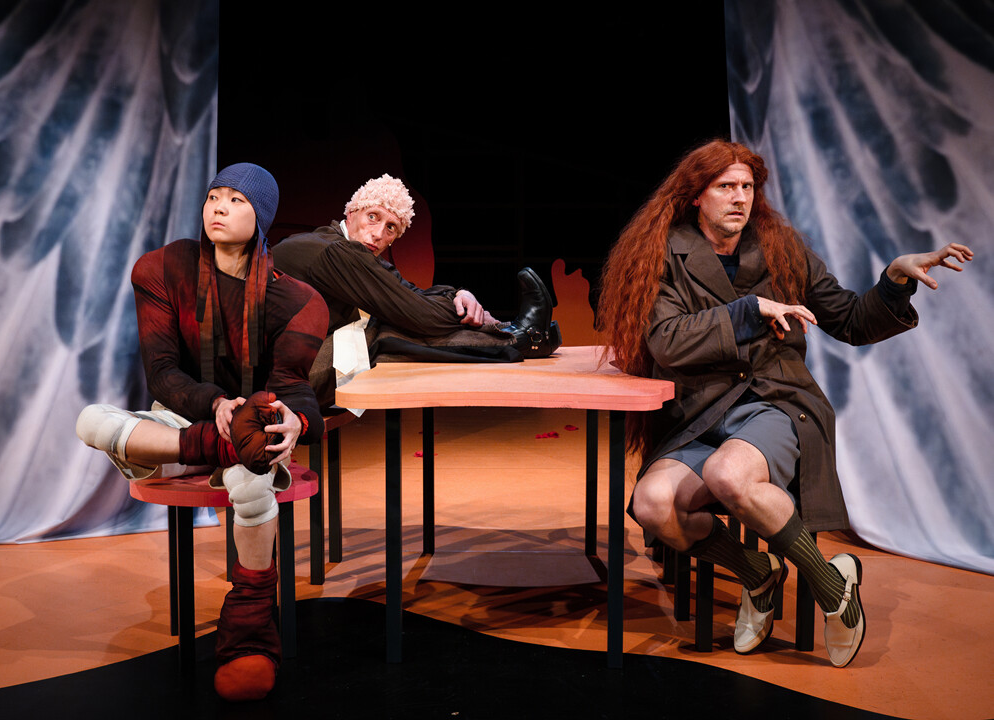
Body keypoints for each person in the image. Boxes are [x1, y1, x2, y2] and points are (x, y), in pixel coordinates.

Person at [597, 140, 972, 667]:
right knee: (653, 504)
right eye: (725, 187)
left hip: (773, 401)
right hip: (700, 412)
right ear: (696, 195)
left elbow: (851, 321)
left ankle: (832, 591)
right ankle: (759, 574)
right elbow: (668, 341)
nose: (739, 198)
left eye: (747, 187)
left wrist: (894, 280)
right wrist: (750, 310)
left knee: (729, 475)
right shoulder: (667, 254)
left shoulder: (779, 247)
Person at [76, 163, 328, 700]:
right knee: (90, 420)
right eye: (215, 196)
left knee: (251, 481)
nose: (219, 207)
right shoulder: (163, 268)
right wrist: (214, 407)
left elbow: (293, 386)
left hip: (256, 427)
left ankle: (249, 634)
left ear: (261, 217)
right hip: (188, 420)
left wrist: (296, 421)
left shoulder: (300, 300)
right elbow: (163, 373)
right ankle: (218, 445)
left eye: (237, 200)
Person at [272, 174, 561, 407]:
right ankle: (519, 338)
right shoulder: (332, 252)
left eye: (391, 228)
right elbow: (420, 315)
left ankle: (516, 335)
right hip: (285, 380)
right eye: (373, 217)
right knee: (383, 332)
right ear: (351, 213)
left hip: (299, 367)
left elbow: (411, 294)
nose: (378, 234)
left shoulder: (353, 253)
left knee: (383, 325)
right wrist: (459, 312)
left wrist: (459, 295)